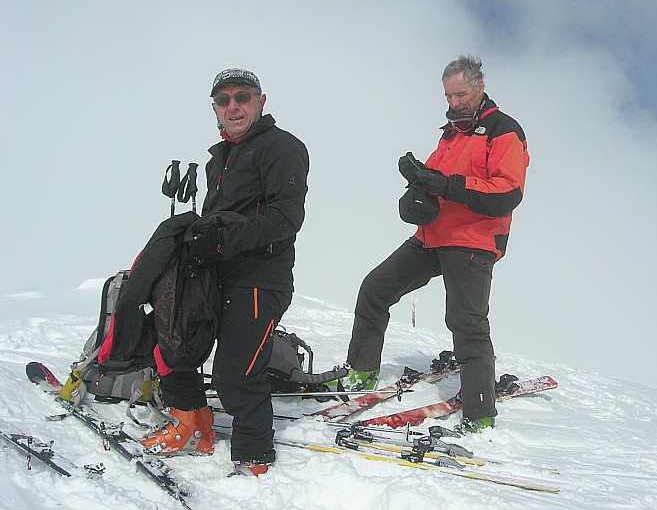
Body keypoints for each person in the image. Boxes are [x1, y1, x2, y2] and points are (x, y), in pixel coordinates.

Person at [334, 55, 529, 431]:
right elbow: (434, 181)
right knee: (376, 288)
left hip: (473, 240)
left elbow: (507, 192)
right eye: (448, 96)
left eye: (460, 95)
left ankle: (480, 414)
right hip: (432, 236)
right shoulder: (451, 133)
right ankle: (361, 374)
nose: (454, 103)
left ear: (480, 87)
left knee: (466, 322)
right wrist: (416, 184)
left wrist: (445, 186)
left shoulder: (504, 130)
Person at [140, 68, 309, 476]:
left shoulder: (282, 148)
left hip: (258, 278)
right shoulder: (220, 159)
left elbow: (285, 219)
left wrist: (222, 235)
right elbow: (222, 219)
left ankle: (254, 455)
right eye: (224, 100)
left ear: (261, 101)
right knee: (174, 339)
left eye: (243, 97)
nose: (233, 106)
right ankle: (192, 419)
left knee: (236, 374)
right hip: (214, 273)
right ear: (214, 108)